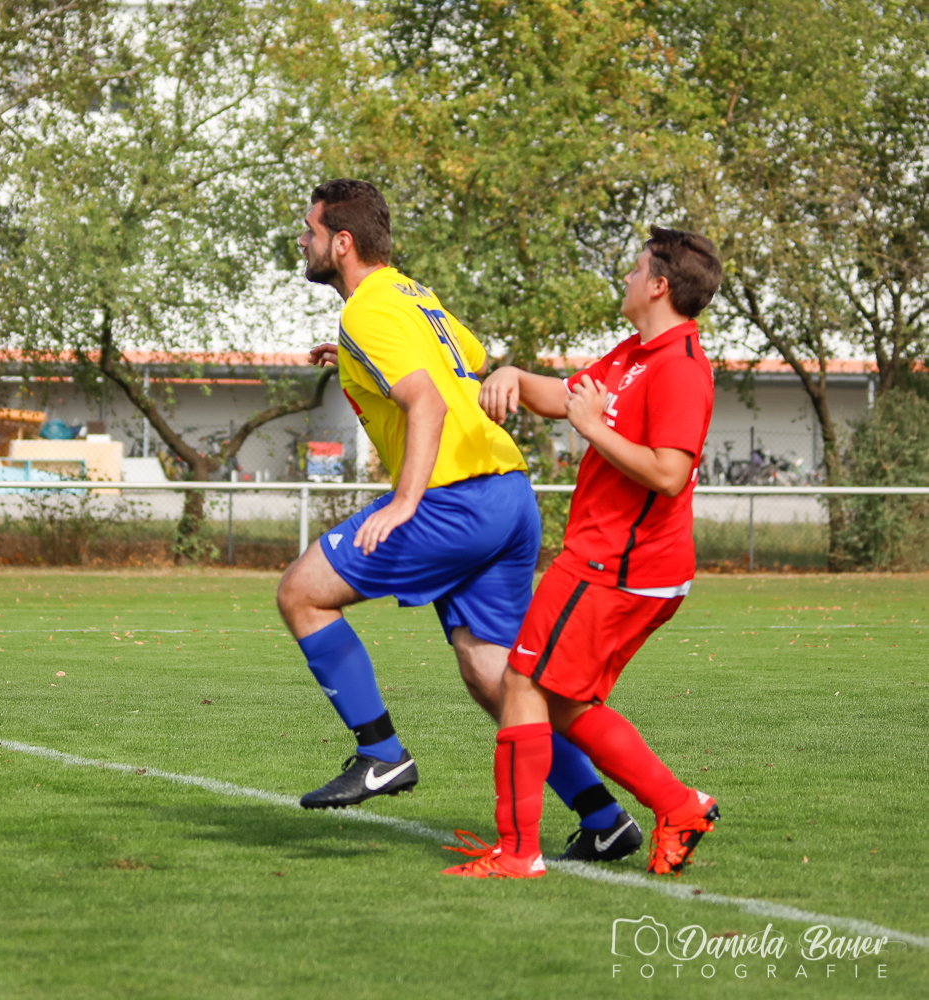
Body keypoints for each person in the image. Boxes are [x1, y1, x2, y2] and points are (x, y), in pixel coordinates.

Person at [277, 180, 635, 860]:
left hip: (452, 501)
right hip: (507, 494)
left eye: (310, 228)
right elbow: (464, 360)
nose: (303, 238)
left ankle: (379, 751)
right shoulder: (413, 294)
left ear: (341, 242)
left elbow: (429, 402)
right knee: (495, 677)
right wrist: (355, 362)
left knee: (301, 593)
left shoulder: (368, 312)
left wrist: (406, 504)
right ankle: (604, 817)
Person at [443, 226, 724, 879]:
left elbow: (668, 473)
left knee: (520, 681)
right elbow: (566, 400)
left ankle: (518, 853)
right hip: (619, 563)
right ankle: (680, 806)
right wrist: (512, 375)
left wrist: (594, 429)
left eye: (634, 268)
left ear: (659, 284)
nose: (625, 277)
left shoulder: (680, 367)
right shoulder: (634, 354)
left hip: (616, 566)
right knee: (564, 700)